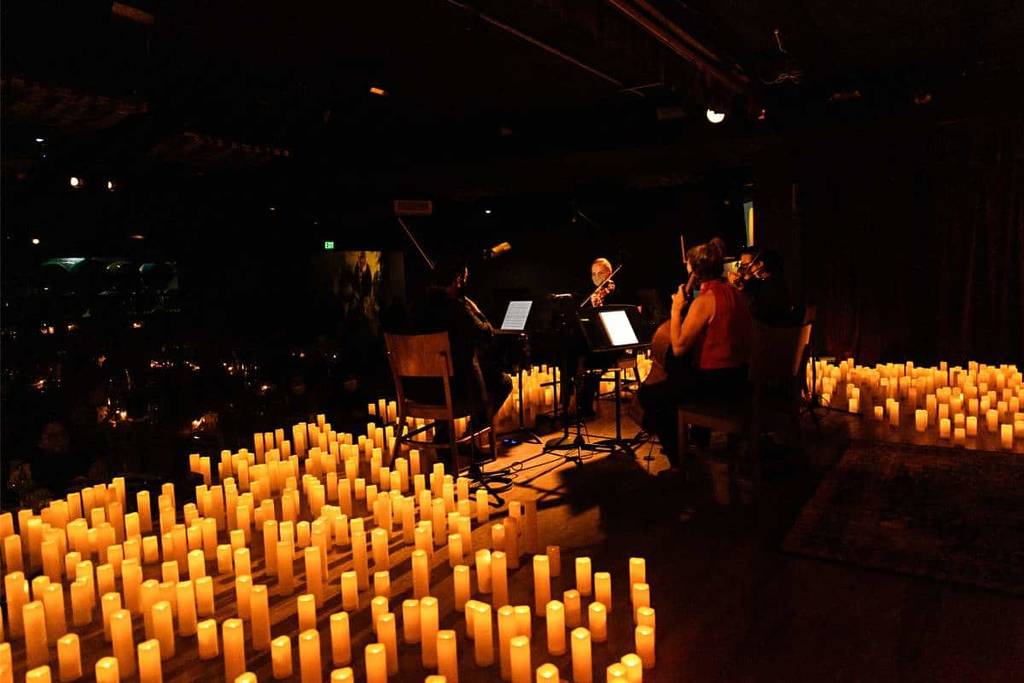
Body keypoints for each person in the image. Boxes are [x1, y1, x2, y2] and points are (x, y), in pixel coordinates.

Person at [637, 238, 753, 466]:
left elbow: (679, 347)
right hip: (741, 378)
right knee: (678, 382)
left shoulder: (705, 300)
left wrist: (676, 308)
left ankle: (679, 462)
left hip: (717, 386)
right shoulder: (737, 294)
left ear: (693, 268)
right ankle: (698, 441)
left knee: (651, 396)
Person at [409, 256, 512, 430]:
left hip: (418, 390)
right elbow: (487, 334)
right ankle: (472, 434)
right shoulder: (457, 308)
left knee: (444, 375)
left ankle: (443, 440)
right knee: (503, 382)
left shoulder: (417, 308)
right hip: (455, 392)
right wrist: (476, 310)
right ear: (458, 280)